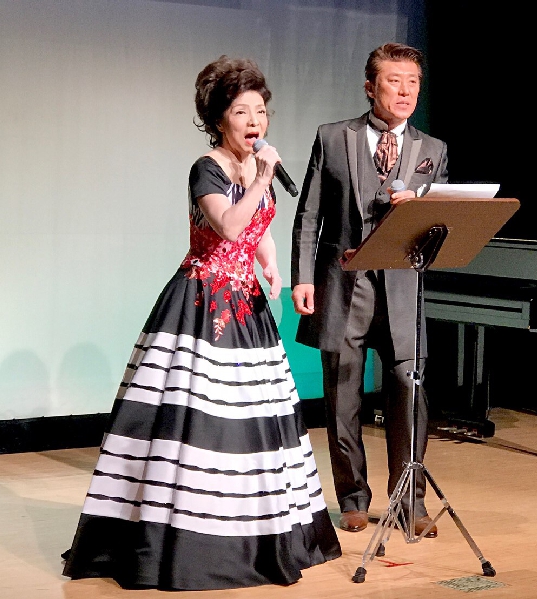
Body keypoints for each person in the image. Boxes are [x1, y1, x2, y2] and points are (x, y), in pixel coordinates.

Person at [62, 55, 341, 591]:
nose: (255, 121)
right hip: (201, 303)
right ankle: (182, 540)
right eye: (242, 112)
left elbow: (257, 227)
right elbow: (230, 224)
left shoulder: (254, 168)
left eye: (261, 111)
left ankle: (255, 533)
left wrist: (271, 264)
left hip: (247, 305)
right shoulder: (205, 168)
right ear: (219, 119)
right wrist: (263, 178)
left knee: (253, 420)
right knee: (195, 422)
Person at [291, 43, 449, 536]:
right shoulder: (333, 136)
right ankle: (353, 498)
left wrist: (420, 209)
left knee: (408, 390)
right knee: (343, 396)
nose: (405, 91)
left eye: (413, 82)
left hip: (402, 289)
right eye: (394, 81)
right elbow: (309, 213)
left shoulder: (433, 150)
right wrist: (303, 276)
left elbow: (440, 229)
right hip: (344, 285)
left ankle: (410, 503)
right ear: (370, 87)